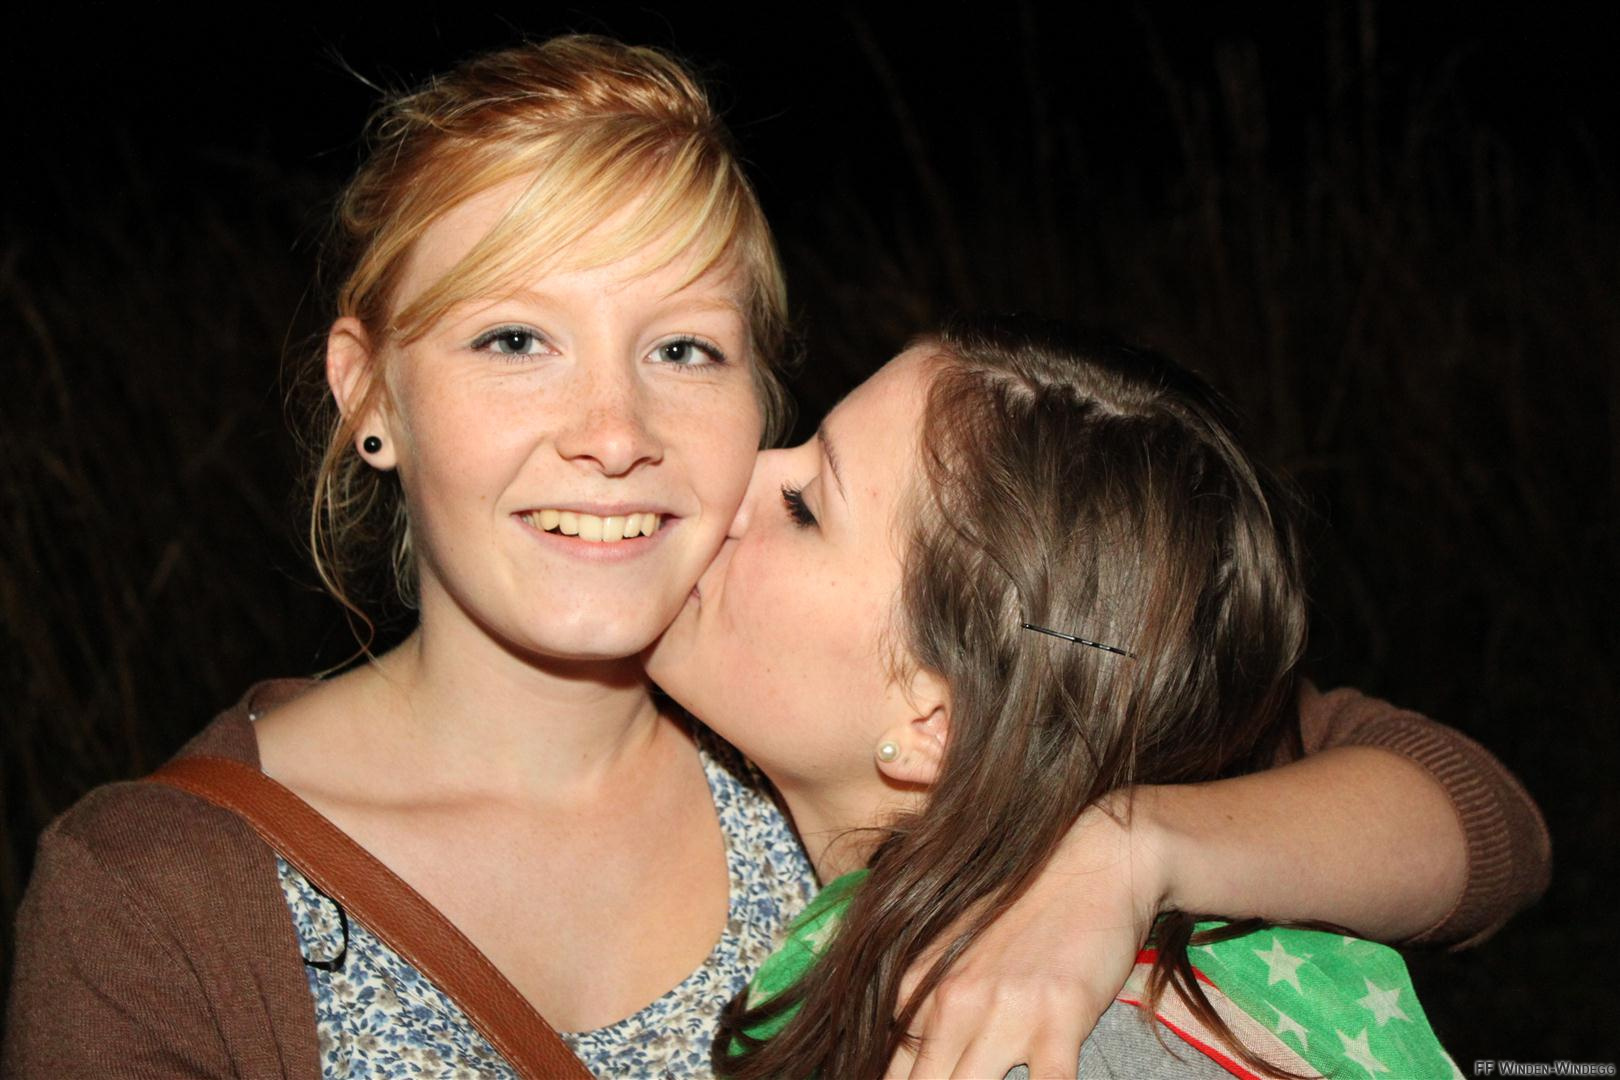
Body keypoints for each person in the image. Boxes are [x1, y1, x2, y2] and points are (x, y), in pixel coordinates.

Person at [4, 37, 1546, 1080]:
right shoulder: (159, 906)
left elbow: (1473, 814)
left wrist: (1119, 850)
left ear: (762, 394)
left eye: (683, 348)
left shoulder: (897, 739)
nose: (615, 433)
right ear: (371, 398)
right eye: (515, 339)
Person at [643, 317, 1545, 1078]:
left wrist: (1125, 850)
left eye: (805, 507)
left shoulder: (1036, 1040)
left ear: (934, 723)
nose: (743, 472)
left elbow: (1485, 819)